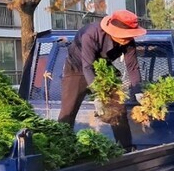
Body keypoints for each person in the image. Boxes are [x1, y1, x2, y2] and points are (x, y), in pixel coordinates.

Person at [58, 10, 145, 150]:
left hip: (104, 69)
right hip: (78, 68)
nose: (125, 39)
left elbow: (133, 67)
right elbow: (87, 67)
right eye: (123, 35)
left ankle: (126, 149)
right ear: (112, 30)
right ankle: (62, 149)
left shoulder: (128, 41)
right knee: (68, 112)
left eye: (129, 35)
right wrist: (99, 94)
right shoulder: (91, 35)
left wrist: (138, 91)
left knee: (118, 110)